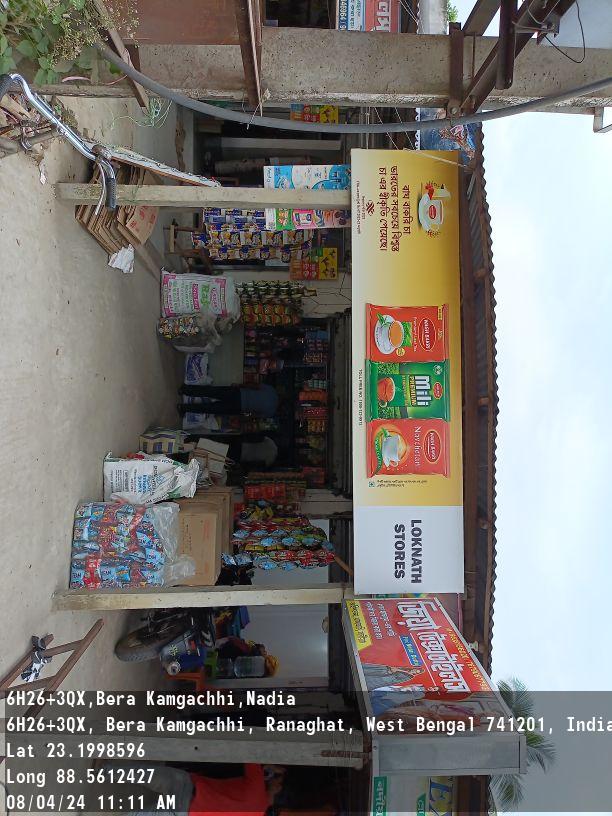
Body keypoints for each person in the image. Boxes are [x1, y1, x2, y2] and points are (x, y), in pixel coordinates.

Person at [130, 762, 285, 816]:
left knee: (140, 774)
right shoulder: (258, 806)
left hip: (187, 785)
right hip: (186, 811)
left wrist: (268, 767)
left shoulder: (257, 788)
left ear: (279, 787)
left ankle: (111, 769)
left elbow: (250, 752)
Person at [178, 383, 279, 418]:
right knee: (210, 408)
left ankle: (185, 389)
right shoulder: (271, 412)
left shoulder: (272, 391)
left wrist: (240, 385)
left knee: (211, 391)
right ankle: (183, 407)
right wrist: (244, 414)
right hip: (239, 407)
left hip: (238, 393)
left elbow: (253, 385)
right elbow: (254, 414)